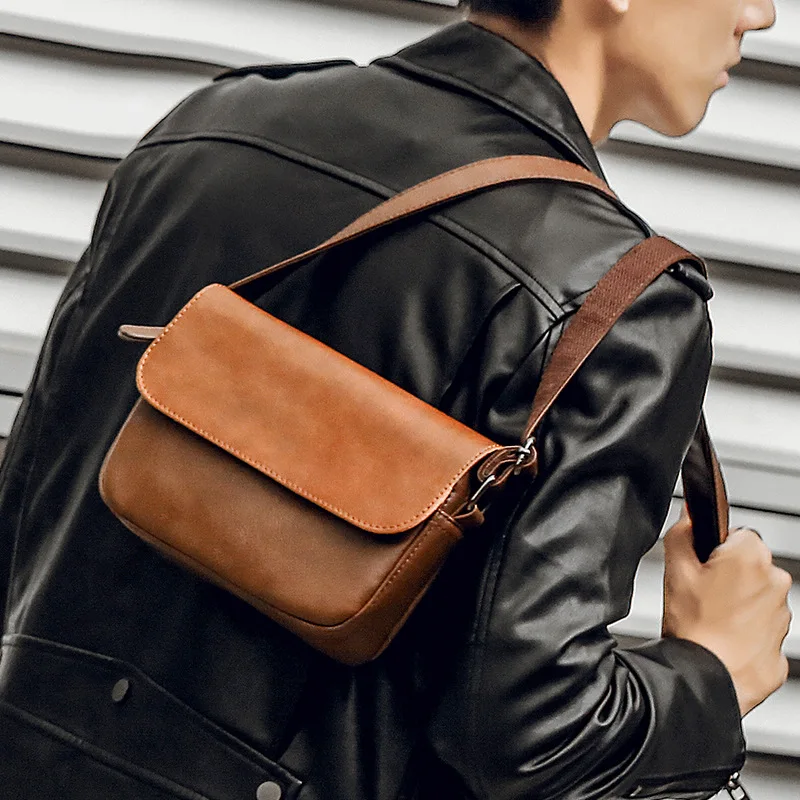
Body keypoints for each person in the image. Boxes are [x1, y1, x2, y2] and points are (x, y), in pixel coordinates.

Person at [0, 0, 790, 798]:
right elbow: (535, 740)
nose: (758, 16)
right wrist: (714, 672)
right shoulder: (614, 294)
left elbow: (32, 498)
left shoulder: (209, 128)